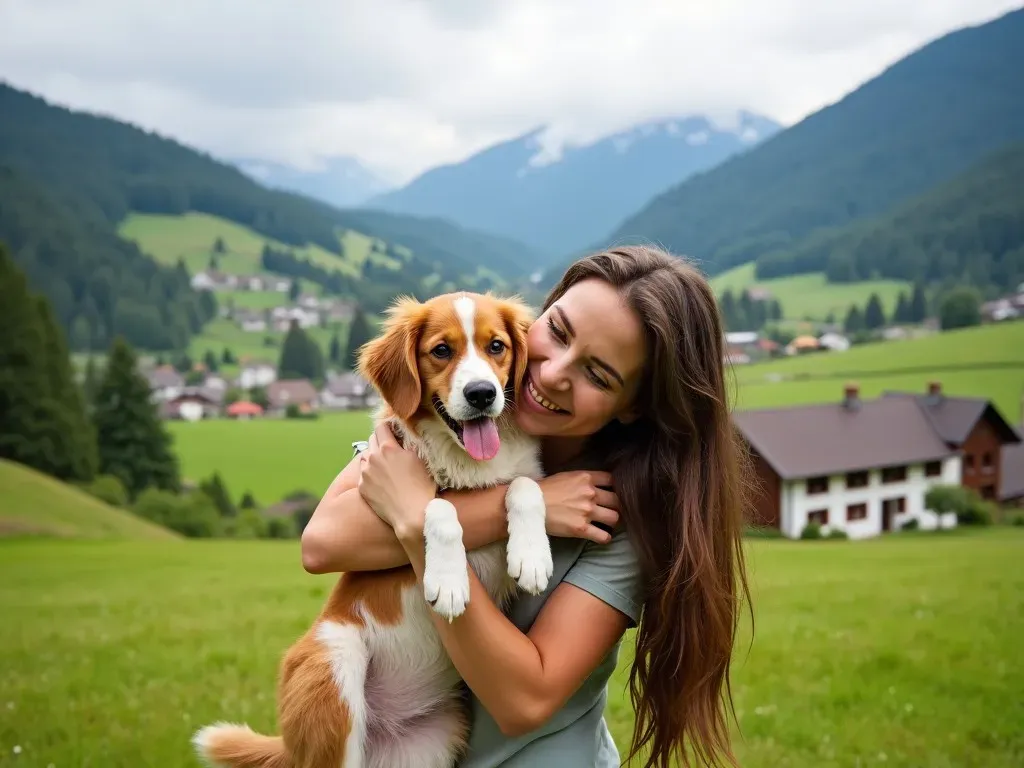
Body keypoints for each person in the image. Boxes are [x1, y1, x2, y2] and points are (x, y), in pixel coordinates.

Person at [300, 245, 753, 768]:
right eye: (557, 332)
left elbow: (523, 700)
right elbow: (321, 543)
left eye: (599, 374)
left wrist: (418, 521)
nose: (554, 372)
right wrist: (507, 506)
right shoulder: (432, 433)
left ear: (635, 407)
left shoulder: (622, 516)